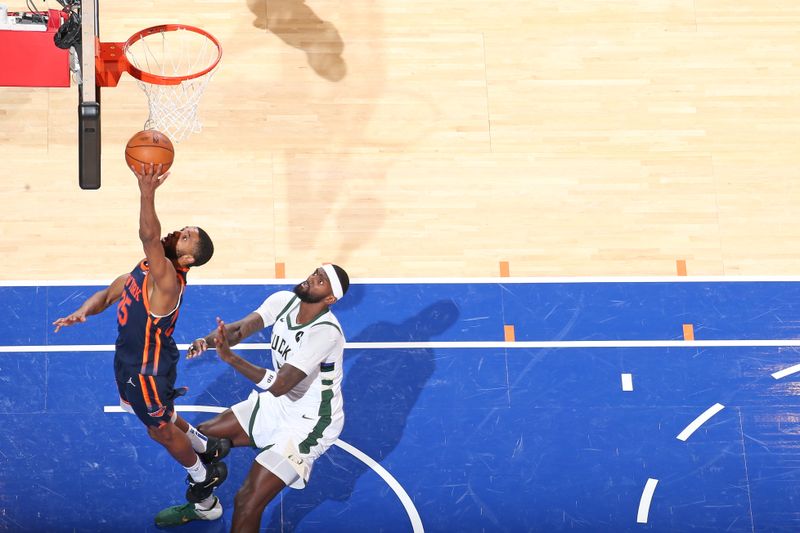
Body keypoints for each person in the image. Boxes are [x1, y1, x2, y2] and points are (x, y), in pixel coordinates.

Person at [52, 164, 228, 515]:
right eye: (184, 229)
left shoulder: (167, 279)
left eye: (185, 236)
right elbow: (109, 293)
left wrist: (147, 192)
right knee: (155, 413)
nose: (178, 232)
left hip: (146, 370)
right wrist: (84, 311)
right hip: (130, 362)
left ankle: (200, 476)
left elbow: (149, 235)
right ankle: (204, 445)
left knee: (159, 430)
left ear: (187, 258)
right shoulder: (148, 267)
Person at [155, 264, 350, 531]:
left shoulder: (325, 333)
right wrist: (209, 341)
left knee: (247, 501)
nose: (313, 278)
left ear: (330, 299)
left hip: (308, 425)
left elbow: (281, 384)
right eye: (316, 273)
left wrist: (230, 358)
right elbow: (238, 330)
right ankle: (205, 507)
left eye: (322, 281)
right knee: (201, 441)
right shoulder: (284, 301)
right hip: (279, 405)